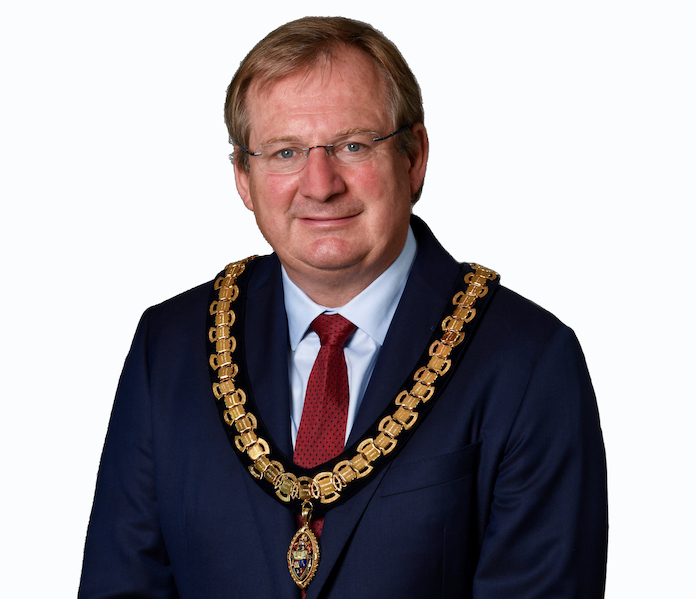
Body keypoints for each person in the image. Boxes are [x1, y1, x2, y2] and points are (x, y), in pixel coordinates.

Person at [79, 16, 607, 599]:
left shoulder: (529, 361)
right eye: (284, 152)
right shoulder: (169, 347)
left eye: (353, 146)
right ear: (244, 178)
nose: (321, 184)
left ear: (414, 157)